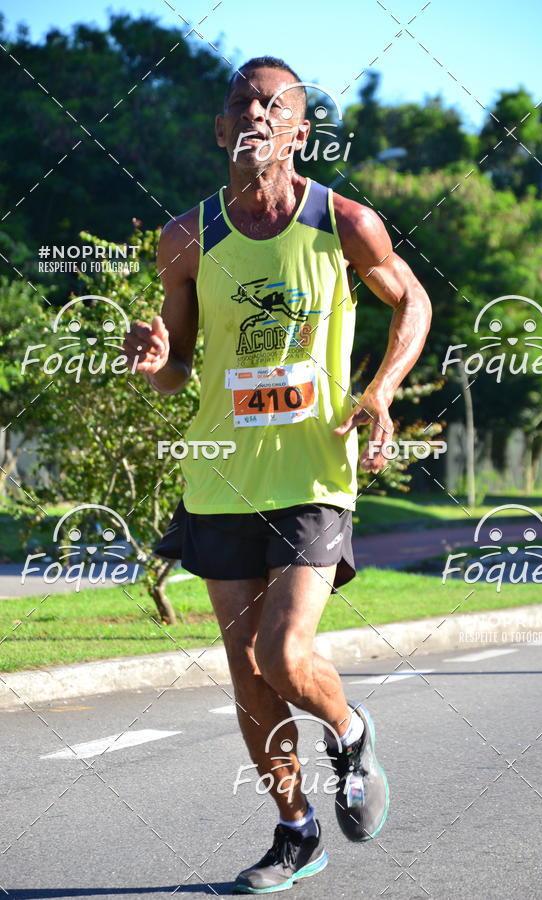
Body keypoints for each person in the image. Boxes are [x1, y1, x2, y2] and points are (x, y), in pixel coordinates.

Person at [123, 56, 431, 894]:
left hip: (314, 474)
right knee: (247, 677)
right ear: (222, 132)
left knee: (283, 655)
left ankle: (351, 727)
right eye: (240, 105)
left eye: (274, 104)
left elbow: (414, 302)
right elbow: (180, 369)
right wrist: (153, 362)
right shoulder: (186, 239)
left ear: (299, 131)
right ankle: (295, 833)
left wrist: (380, 390)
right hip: (219, 479)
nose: (255, 113)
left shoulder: (346, 224)